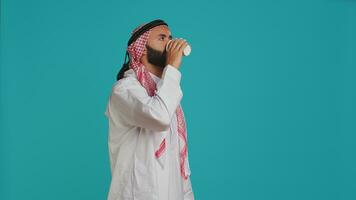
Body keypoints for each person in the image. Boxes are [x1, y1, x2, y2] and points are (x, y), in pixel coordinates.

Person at [104, 19, 195, 200]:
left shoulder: (167, 95)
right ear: (142, 49)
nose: (170, 43)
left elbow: (180, 164)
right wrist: (173, 69)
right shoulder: (124, 90)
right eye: (162, 38)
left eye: (171, 38)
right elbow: (158, 117)